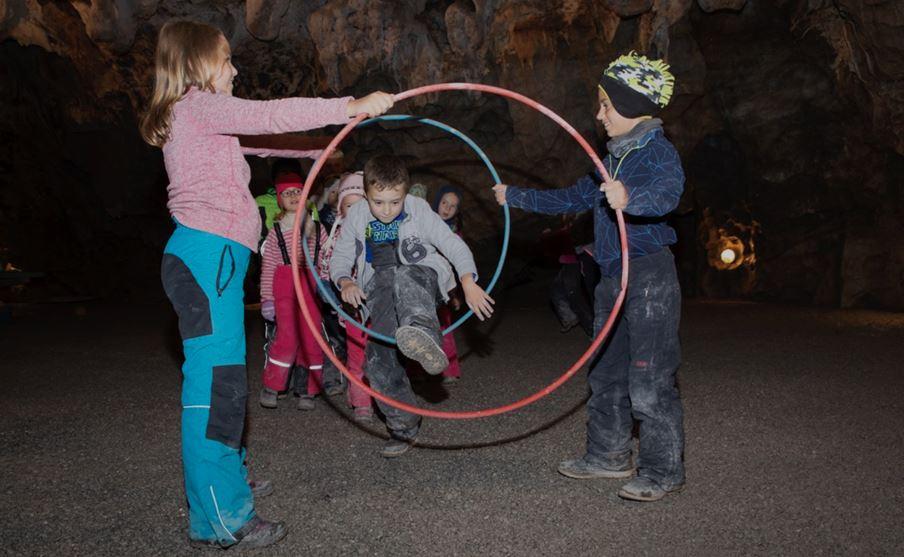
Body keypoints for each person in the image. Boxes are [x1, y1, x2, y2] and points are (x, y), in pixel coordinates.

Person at [139, 19, 393, 548]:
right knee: (214, 386)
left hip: (212, 259)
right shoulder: (199, 106)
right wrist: (351, 106)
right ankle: (221, 513)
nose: (234, 68)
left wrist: (327, 148)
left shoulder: (199, 121)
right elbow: (270, 113)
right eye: (226, 59)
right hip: (208, 258)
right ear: (199, 64)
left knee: (226, 379)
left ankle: (224, 481)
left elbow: (268, 137)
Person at [493, 52, 685, 502]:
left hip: (650, 276)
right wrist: (513, 195)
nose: (599, 115)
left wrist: (629, 196)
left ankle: (662, 470)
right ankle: (608, 455)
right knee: (606, 371)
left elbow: (666, 194)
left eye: (605, 105)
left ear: (632, 103)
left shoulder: (658, 152)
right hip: (611, 275)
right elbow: (570, 198)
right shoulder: (608, 160)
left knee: (649, 378)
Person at [330, 155, 495, 457]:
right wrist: (345, 282)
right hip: (379, 290)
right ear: (367, 195)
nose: (387, 210)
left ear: (406, 194)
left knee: (406, 276)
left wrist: (468, 281)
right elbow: (340, 256)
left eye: (395, 202)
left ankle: (423, 335)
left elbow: (452, 244)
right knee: (377, 363)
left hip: (420, 277)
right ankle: (403, 426)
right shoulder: (357, 217)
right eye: (379, 202)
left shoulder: (419, 210)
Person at [258, 172, 334, 411]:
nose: (292, 195)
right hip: (284, 283)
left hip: (310, 284)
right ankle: (272, 385)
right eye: (286, 193)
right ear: (279, 200)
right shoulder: (276, 231)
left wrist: (326, 284)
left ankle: (308, 389)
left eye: (297, 191)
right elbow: (268, 266)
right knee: (287, 336)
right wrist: (267, 298)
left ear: (306, 197)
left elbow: (325, 258)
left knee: (311, 337)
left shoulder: (318, 229)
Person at [318, 172, 375, 422]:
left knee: (384, 353)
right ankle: (361, 401)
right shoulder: (338, 236)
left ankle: (388, 397)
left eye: (360, 204)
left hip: (380, 303)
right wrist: (334, 292)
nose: (355, 211)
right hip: (353, 307)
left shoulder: (378, 230)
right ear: (341, 208)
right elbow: (327, 266)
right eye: (349, 205)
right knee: (358, 353)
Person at [431, 185, 466, 384]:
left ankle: (449, 370)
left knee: (444, 328)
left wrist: (455, 295)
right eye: (444, 203)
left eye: (453, 206)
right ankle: (417, 372)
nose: (447, 208)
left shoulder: (455, 236)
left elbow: (458, 266)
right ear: (437, 203)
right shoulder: (423, 224)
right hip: (421, 285)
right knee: (418, 329)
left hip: (443, 288)